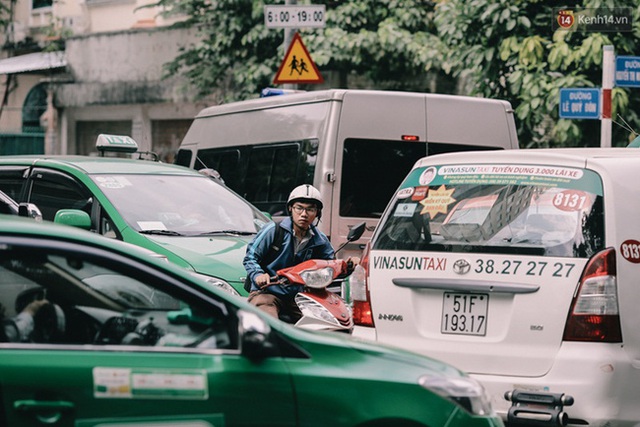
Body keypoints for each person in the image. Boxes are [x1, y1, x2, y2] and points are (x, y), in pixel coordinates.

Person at [243, 184, 335, 320]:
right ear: (291, 209)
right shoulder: (273, 230)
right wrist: (258, 275)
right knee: (269, 324)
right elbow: (250, 257)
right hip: (267, 292)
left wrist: (349, 265)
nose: (304, 214)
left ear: (317, 213)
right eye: (299, 208)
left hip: (298, 297)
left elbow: (331, 264)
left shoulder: (319, 240)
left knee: (324, 321)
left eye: (310, 209)